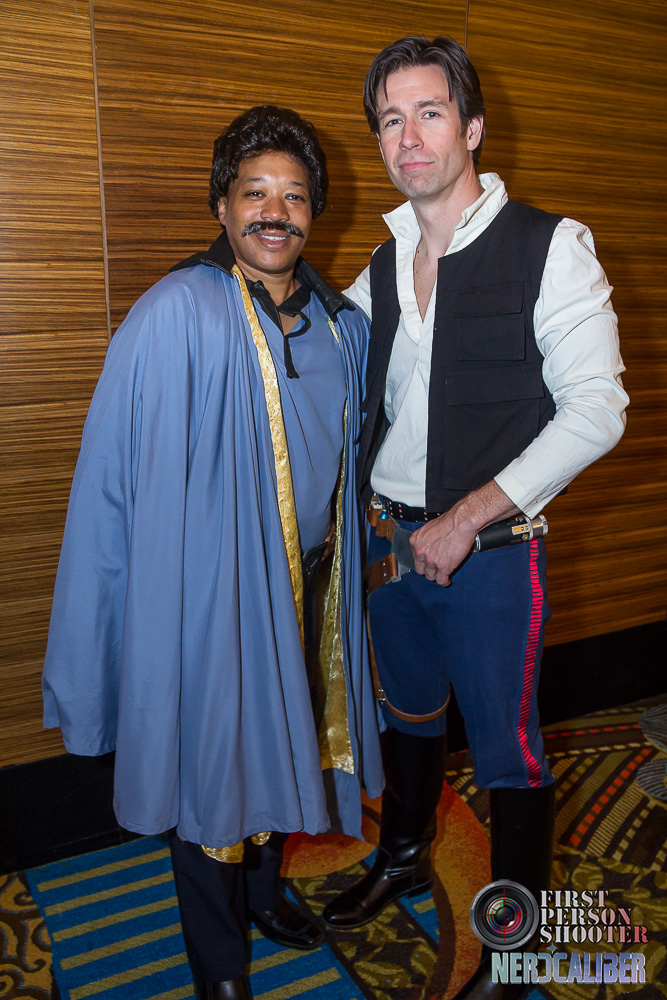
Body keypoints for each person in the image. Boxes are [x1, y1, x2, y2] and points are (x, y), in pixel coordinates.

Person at [42, 105, 384, 1000]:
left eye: (294, 197)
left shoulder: (339, 323)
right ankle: (218, 965)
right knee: (213, 772)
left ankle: (265, 896)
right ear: (223, 207)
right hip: (215, 599)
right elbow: (118, 477)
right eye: (254, 193)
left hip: (311, 587)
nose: (275, 212)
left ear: (314, 213)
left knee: (289, 744)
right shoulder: (175, 313)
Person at [322, 36, 628, 1000]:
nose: (408, 137)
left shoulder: (550, 245)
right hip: (387, 544)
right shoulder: (380, 263)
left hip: (490, 551)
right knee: (407, 717)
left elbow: (597, 411)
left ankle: (513, 941)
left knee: (507, 752)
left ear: (473, 128)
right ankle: (405, 854)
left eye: (429, 113)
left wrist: (464, 519)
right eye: (389, 120)